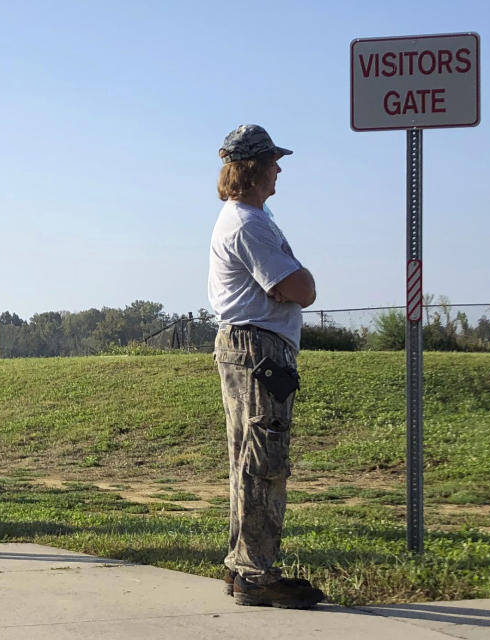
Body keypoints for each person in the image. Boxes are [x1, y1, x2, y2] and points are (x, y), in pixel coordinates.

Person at [208, 125, 325, 608]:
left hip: (248, 347)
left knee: (249, 459)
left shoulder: (248, 217)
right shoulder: (248, 224)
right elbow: (298, 289)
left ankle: (243, 566)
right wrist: (304, 280)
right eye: (273, 162)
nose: (279, 169)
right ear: (253, 169)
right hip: (258, 350)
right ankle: (256, 574)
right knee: (264, 461)